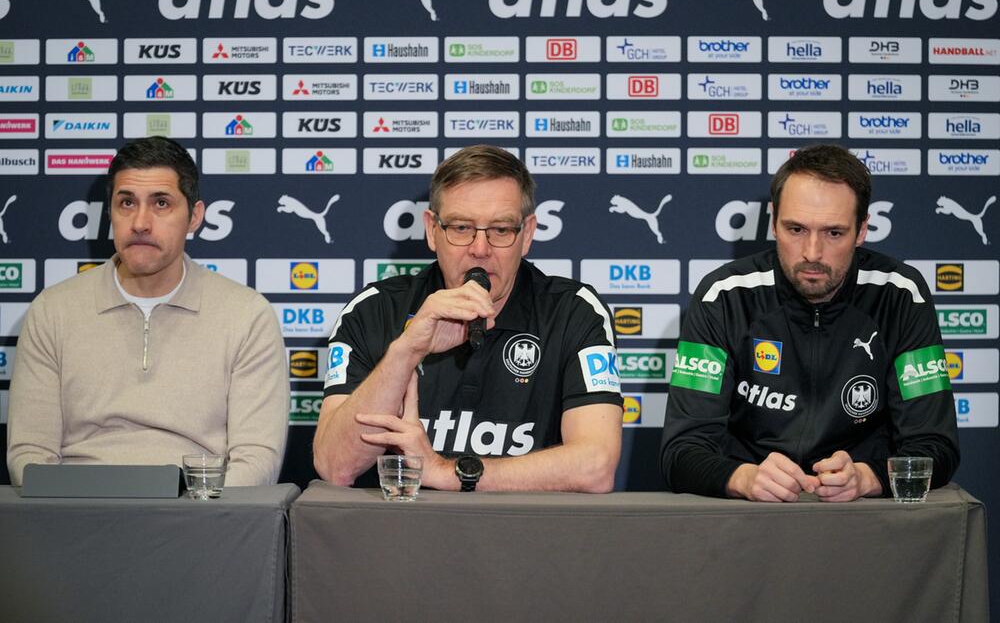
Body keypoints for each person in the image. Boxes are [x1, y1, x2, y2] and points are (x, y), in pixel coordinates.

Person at [313, 145, 622, 492]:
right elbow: (336, 467)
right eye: (461, 228)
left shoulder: (573, 311)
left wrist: (444, 472)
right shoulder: (374, 310)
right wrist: (405, 352)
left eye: (501, 230)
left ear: (528, 234)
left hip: (529, 537)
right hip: (404, 538)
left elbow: (595, 466)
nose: (480, 248)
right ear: (432, 230)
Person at [660, 144, 959, 502]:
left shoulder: (900, 295)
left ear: (862, 230)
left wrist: (867, 477)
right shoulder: (723, 296)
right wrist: (743, 478)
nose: (812, 253)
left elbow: (936, 445)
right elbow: (681, 452)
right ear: (773, 223)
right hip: (750, 520)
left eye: (834, 233)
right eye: (796, 229)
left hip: (861, 518)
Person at [7, 136, 288, 486]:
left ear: (194, 217)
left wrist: (191, 516)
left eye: (161, 203)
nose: (140, 222)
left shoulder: (246, 316)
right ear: (110, 211)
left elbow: (257, 461)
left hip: (201, 522)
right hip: (76, 520)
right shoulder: (53, 311)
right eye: (126, 202)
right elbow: (30, 455)